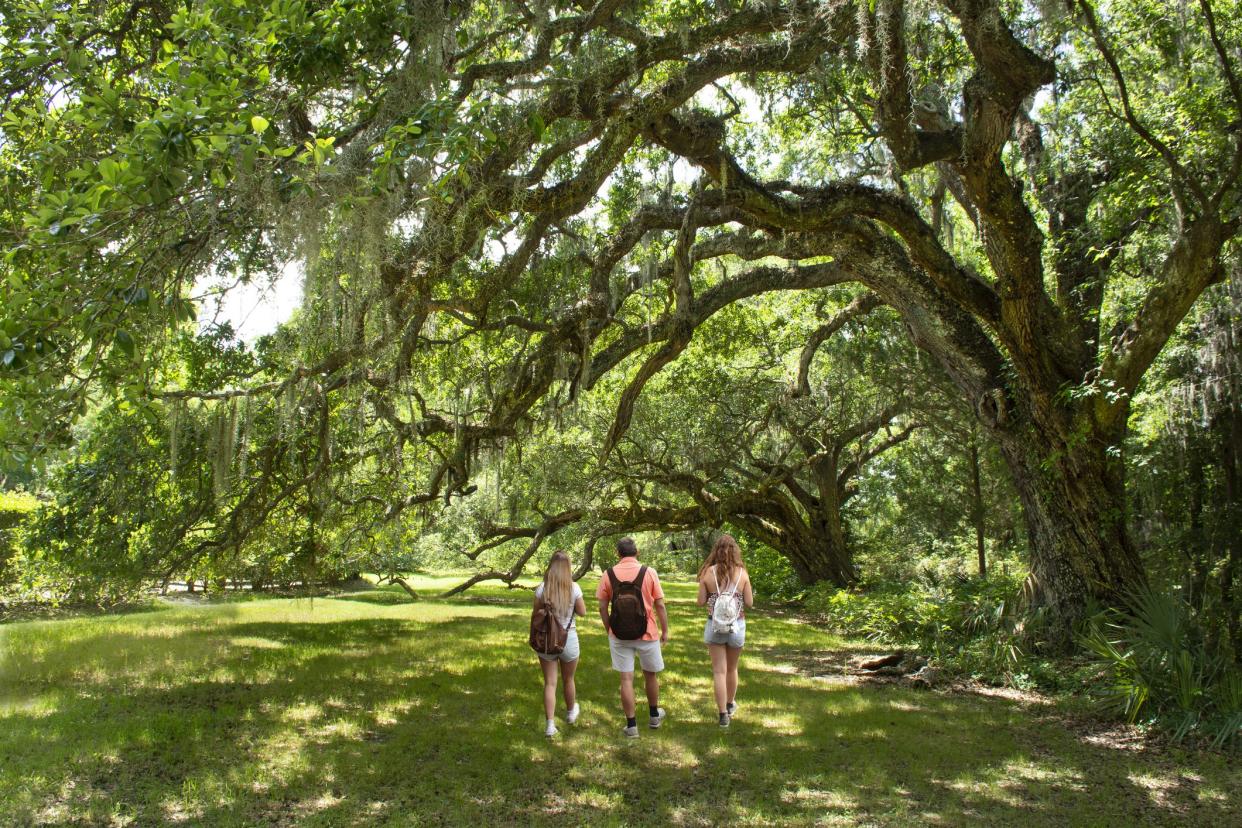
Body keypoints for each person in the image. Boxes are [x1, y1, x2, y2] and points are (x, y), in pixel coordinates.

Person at [596, 536, 670, 738]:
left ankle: (631, 726)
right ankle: (654, 716)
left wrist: (608, 628)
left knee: (626, 679)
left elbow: (602, 606)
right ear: (636, 552)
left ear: (618, 554)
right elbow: (660, 605)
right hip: (648, 632)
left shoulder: (608, 574)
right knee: (650, 675)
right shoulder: (649, 572)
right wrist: (665, 631)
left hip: (619, 634)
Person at [696, 534, 754, 728]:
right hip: (737, 625)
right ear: (734, 551)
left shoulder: (707, 573)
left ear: (716, 551)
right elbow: (749, 602)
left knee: (718, 671)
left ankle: (722, 716)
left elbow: (700, 602)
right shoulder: (742, 573)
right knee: (732, 668)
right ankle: (730, 704)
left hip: (714, 626)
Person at [534, 550, 587, 736]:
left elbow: (536, 616)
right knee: (568, 679)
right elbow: (582, 612)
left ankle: (550, 725)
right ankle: (571, 712)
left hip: (547, 639)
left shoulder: (542, 588)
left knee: (550, 683)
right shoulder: (574, 588)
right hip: (569, 639)